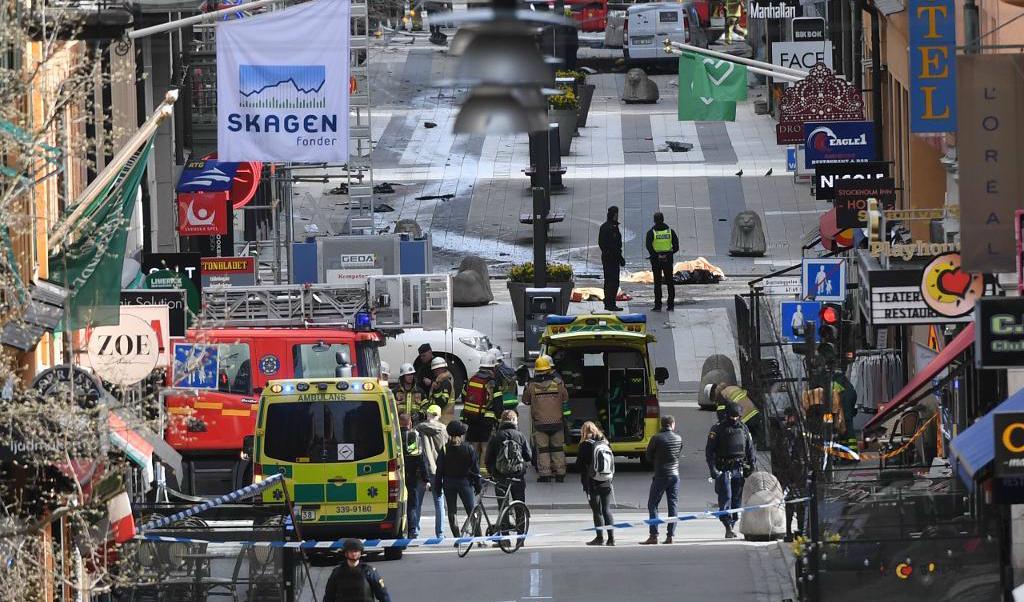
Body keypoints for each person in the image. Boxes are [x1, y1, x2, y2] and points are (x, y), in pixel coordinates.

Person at [706, 401, 755, 538]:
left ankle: (732, 524)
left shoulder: (743, 428)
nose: (734, 419)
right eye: (732, 417)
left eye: (736, 417)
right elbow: (709, 451)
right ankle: (727, 526)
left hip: (738, 468)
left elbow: (750, 448)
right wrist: (712, 469)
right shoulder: (718, 429)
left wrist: (752, 465)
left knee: (736, 499)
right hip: (724, 469)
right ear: (726, 415)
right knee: (726, 497)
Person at [522, 354, 570, 482]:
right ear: (549, 368)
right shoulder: (559, 383)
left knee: (543, 450)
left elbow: (525, 400)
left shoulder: (532, 386)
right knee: (558, 448)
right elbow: (565, 398)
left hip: (540, 424)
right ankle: (560, 474)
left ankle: (545, 475)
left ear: (536, 370)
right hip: (557, 422)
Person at [434, 420, 482, 537]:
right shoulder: (469, 448)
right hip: (465, 482)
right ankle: (478, 536)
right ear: (462, 434)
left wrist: (437, 487)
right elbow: (475, 469)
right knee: (471, 510)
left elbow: (439, 470)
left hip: (449, 482)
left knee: (452, 511)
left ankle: (457, 537)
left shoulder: (444, 449)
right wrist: (478, 485)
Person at [641, 415, 682, 545]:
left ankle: (654, 535)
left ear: (661, 425)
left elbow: (648, 456)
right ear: (672, 424)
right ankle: (670, 536)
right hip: (675, 475)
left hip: (661, 475)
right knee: (673, 504)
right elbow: (678, 453)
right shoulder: (678, 438)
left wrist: (657, 459)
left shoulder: (656, 438)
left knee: (652, 505)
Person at [577, 421, 615, 546]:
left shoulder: (585, 445)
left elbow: (579, 465)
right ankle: (611, 539)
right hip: (606, 480)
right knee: (606, 509)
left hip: (592, 482)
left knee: (597, 511)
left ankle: (599, 538)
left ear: (583, 432)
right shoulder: (605, 442)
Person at [463, 354, 503, 471]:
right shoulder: (492, 382)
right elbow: (497, 402)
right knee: (485, 446)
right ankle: (484, 471)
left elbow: (464, 396)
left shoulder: (472, 379)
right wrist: (500, 419)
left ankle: (472, 470)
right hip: (487, 419)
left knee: (474, 445)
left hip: (472, 417)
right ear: (492, 367)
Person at [485, 410, 533, 508]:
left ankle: (504, 523)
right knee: (519, 503)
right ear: (513, 420)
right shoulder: (520, 435)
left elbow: (488, 458)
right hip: (517, 475)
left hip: (500, 475)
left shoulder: (496, 436)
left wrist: (493, 472)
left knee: (502, 505)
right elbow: (529, 456)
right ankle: (521, 522)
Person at [414, 405, 449, 538]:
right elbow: (446, 451)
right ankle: (440, 534)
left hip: (421, 471)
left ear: (428, 415)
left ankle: (414, 532)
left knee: (417, 503)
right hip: (437, 471)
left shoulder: (418, 429)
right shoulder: (443, 430)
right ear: (439, 415)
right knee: (439, 503)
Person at [323, 539, 391, 602]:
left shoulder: (368, 571)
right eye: (351, 551)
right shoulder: (337, 572)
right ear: (346, 553)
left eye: (356, 551)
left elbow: (383, 595)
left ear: (361, 552)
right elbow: (329, 596)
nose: (354, 554)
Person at [399, 412, 429, 539]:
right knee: (412, 504)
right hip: (412, 475)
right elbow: (420, 458)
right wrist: (425, 477)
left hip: (396, 474)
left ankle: (399, 529)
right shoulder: (413, 436)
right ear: (410, 422)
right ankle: (412, 530)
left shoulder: (393, 436)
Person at [645, 212, 679, 312]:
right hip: (668, 260)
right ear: (663, 219)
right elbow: (676, 247)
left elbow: (648, 246)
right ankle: (671, 305)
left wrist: (656, 255)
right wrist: (668, 254)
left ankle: (658, 305)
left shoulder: (651, 233)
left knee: (657, 283)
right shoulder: (670, 232)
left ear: (654, 220)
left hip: (656, 260)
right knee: (670, 282)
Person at [598, 205, 625, 312]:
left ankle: (608, 302)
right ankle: (611, 303)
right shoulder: (611, 227)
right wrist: (618, 257)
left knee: (608, 280)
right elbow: (612, 245)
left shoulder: (606, 226)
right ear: (614, 215)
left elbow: (601, 243)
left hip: (608, 257)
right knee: (613, 282)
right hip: (611, 258)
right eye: (617, 214)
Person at [427, 356, 456, 424]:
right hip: (440, 419)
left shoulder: (445, 382)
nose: (435, 371)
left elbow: (441, 402)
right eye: (434, 369)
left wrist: (436, 390)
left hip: (443, 420)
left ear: (443, 368)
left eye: (437, 369)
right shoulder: (440, 381)